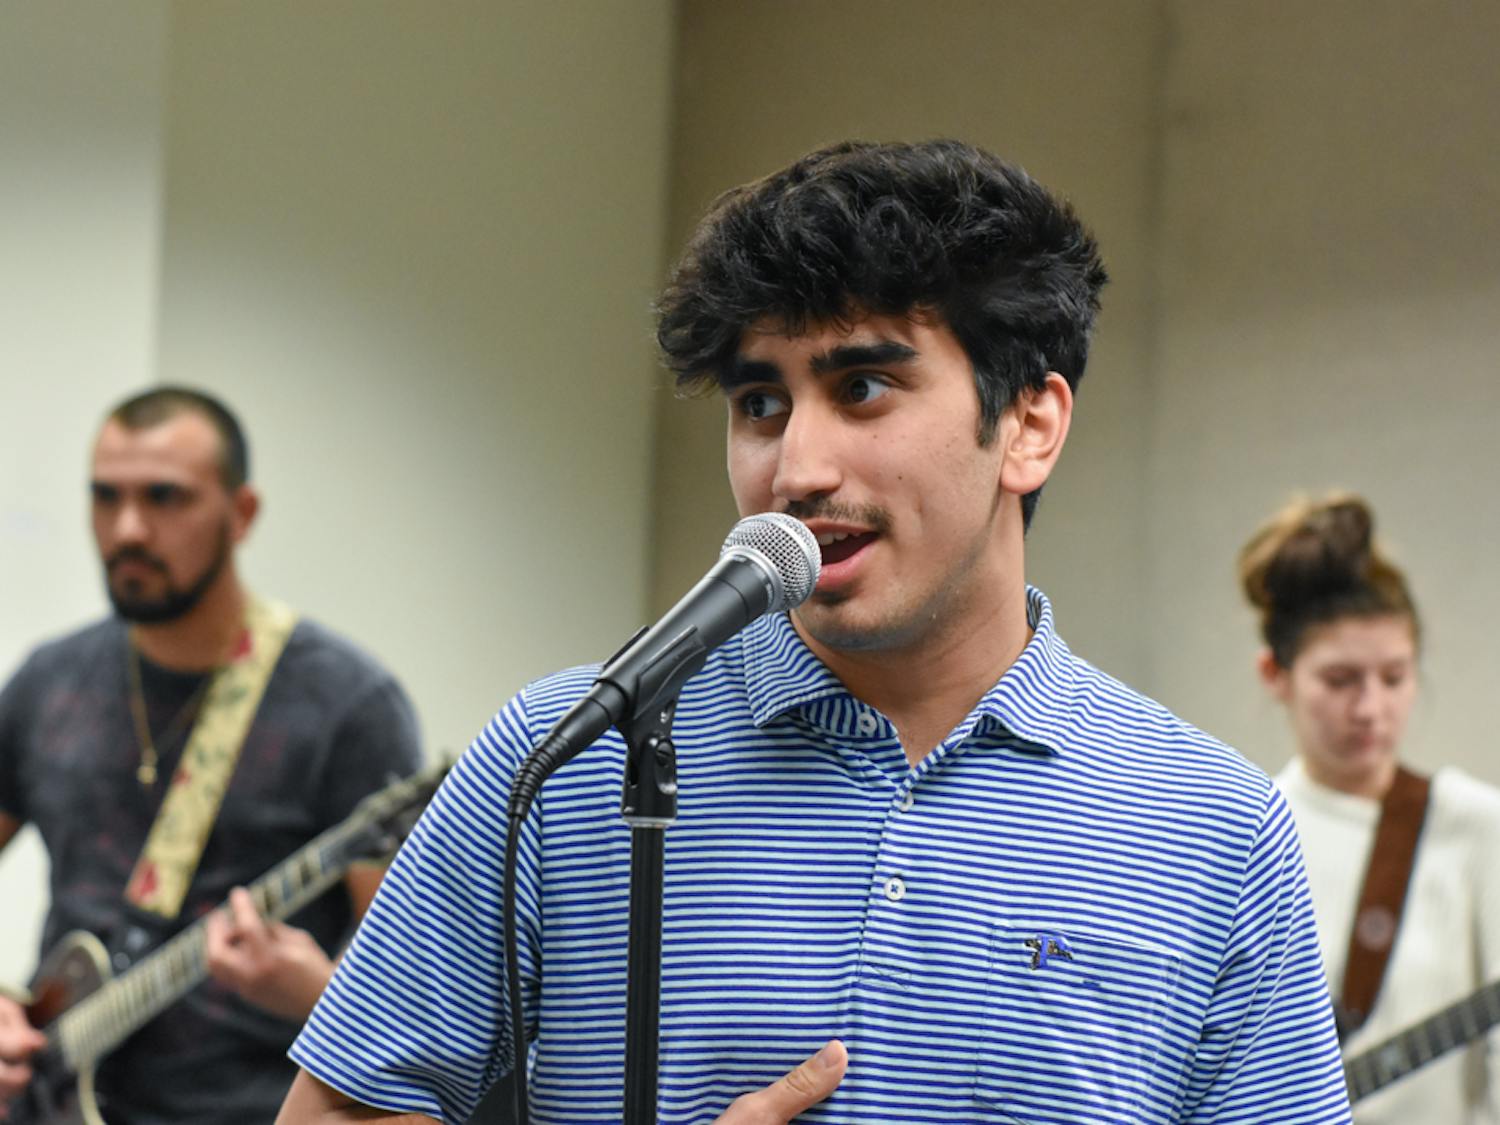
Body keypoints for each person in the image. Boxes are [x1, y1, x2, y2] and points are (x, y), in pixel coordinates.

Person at [279, 139, 1351, 1124]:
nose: (795, 469)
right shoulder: (564, 755)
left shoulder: (1210, 829)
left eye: (864, 386)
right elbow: (342, 1108)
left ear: (1028, 425)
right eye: (760, 403)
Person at [0, 386, 424, 1124]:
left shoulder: (348, 703)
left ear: (243, 512)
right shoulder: (49, 680)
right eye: (107, 497)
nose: (129, 527)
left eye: (166, 497)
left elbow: (415, 988)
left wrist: (317, 990)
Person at [1240, 493, 1500, 1124]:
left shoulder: (1476, 824)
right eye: (1340, 680)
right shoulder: (1245, 829)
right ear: (1275, 673)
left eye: (1394, 677)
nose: (1371, 709)